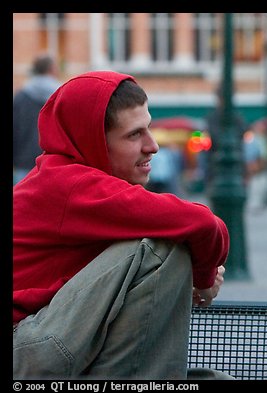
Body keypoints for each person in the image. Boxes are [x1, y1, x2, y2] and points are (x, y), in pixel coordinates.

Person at [13, 71, 233, 380]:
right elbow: (203, 224)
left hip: (41, 342)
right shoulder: (71, 186)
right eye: (134, 135)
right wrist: (204, 279)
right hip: (23, 350)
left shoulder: (62, 181)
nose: (153, 145)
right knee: (160, 247)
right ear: (93, 142)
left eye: (149, 128)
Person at [13, 53, 61, 185]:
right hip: (53, 162)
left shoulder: (21, 96)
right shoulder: (61, 95)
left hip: (23, 162)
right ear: (52, 69)